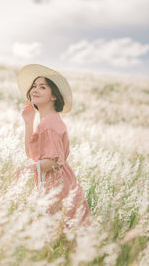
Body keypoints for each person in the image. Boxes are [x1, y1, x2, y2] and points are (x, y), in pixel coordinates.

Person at [14, 64, 90, 226]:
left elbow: (52, 162)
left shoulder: (49, 124)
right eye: (34, 86)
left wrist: (25, 169)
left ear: (53, 96)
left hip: (59, 187)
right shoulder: (47, 122)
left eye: (42, 87)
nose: (35, 89)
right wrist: (29, 122)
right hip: (58, 184)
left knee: (59, 235)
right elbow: (32, 155)